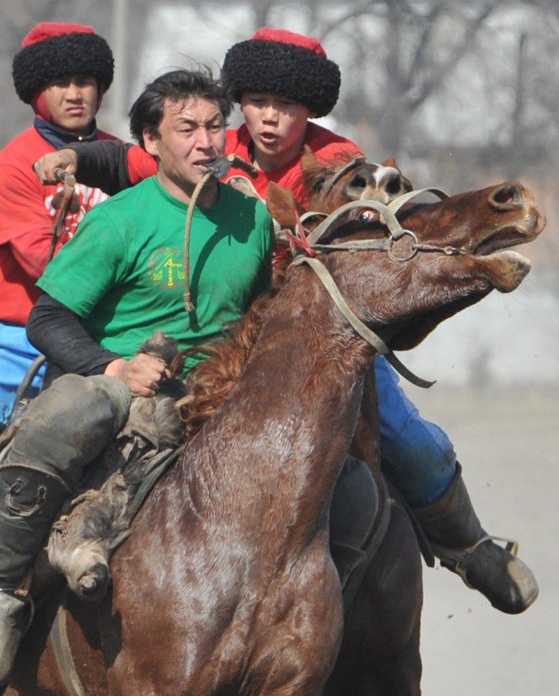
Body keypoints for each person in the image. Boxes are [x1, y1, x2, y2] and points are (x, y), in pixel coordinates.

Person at [35, 27, 538, 616]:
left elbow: (403, 216)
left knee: (401, 430)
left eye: (288, 106)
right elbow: (124, 155)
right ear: (240, 102)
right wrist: (77, 155)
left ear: (312, 111)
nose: (270, 118)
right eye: (258, 103)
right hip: (234, 340)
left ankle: (468, 546)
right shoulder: (214, 145)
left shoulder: (342, 167)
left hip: (323, 336)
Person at [0, 67, 273, 690]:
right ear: (151, 143)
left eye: (215, 127)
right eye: (186, 128)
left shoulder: (253, 219)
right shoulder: (118, 221)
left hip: (222, 388)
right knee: (71, 409)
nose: (204, 142)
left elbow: (263, 313)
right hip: (124, 384)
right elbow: (48, 318)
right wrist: (115, 367)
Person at [0, 22, 119, 488]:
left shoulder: (121, 158)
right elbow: (46, 266)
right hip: (20, 339)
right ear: (37, 93)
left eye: (85, 82)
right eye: (60, 83)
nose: (75, 94)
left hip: (110, 335)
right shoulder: (14, 165)